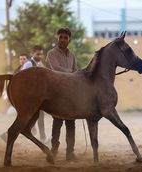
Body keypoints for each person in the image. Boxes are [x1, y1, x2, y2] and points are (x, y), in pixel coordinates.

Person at [45, 27, 78, 161]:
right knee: (57, 123)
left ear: (69, 39)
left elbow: (76, 71)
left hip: (70, 95)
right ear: (57, 38)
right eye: (61, 37)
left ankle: (70, 153)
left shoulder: (72, 55)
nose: (63, 39)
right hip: (57, 93)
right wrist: (71, 72)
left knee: (71, 124)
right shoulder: (51, 53)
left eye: (66, 37)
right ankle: (54, 151)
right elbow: (56, 69)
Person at [21, 45, 49, 144]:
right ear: (32, 53)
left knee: (39, 117)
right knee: (26, 117)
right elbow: (22, 78)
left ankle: (42, 137)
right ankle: (10, 135)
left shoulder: (40, 64)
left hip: (38, 96)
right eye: (38, 54)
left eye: (41, 54)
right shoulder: (28, 64)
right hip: (30, 96)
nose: (40, 56)